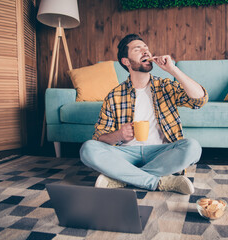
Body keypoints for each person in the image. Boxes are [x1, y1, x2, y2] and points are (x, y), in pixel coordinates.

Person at [80, 34, 208, 194]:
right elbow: (99, 137)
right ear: (126, 61)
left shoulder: (165, 86)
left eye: (146, 48)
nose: (145, 51)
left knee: (193, 147)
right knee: (88, 149)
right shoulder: (114, 96)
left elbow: (199, 100)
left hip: (160, 152)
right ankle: (157, 181)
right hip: (125, 154)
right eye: (137, 49)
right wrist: (119, 135)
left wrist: (173, 70)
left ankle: (122, 177)